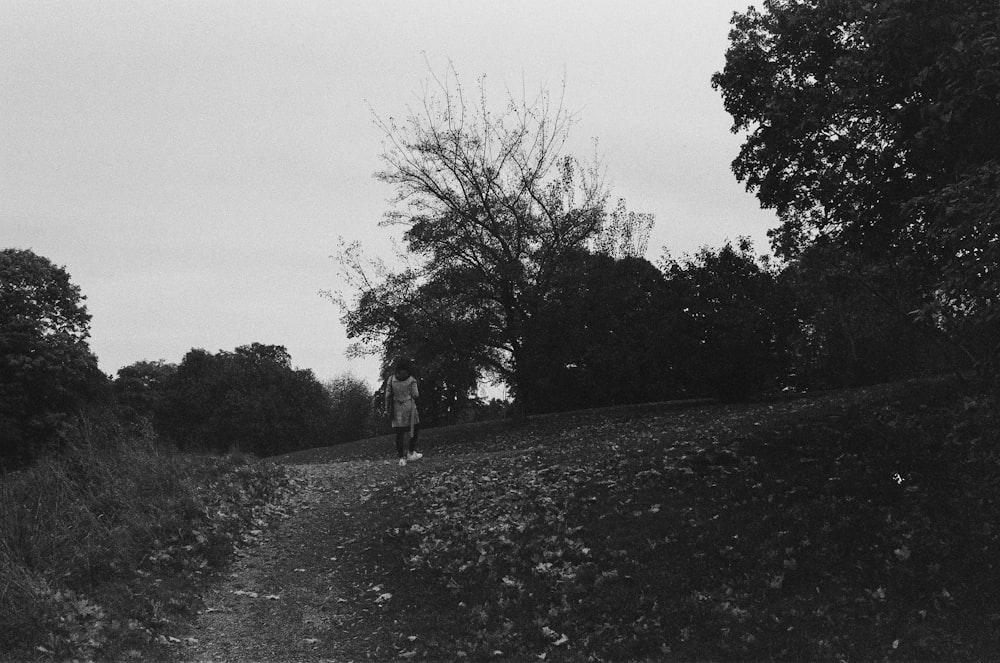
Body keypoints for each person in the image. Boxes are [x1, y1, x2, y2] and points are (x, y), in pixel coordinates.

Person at [384, 358, 422, 466]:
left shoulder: (391, 379)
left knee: (399, 433)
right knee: (414, 428)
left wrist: (387, 409)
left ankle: (401, 458)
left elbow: (387, 396)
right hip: (410, 407)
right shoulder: (411, 380)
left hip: (397, 409)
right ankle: (410, 452)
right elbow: (416, 395)